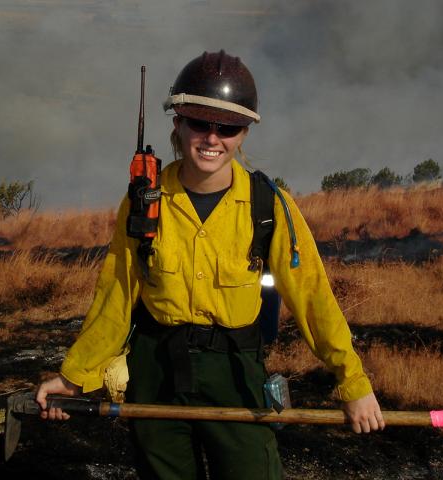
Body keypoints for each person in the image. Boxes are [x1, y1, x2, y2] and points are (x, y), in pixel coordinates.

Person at [36, 50, 385, 480]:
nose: (212, 138)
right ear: (178, 124)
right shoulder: (144, 202)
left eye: (228, 127)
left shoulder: (268, 206)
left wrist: (354, 384)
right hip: (156, 374)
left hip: (235, 376)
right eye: (200, 122)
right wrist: (73, 377)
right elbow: (115, 297)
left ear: (244, 134)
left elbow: (314, 299)